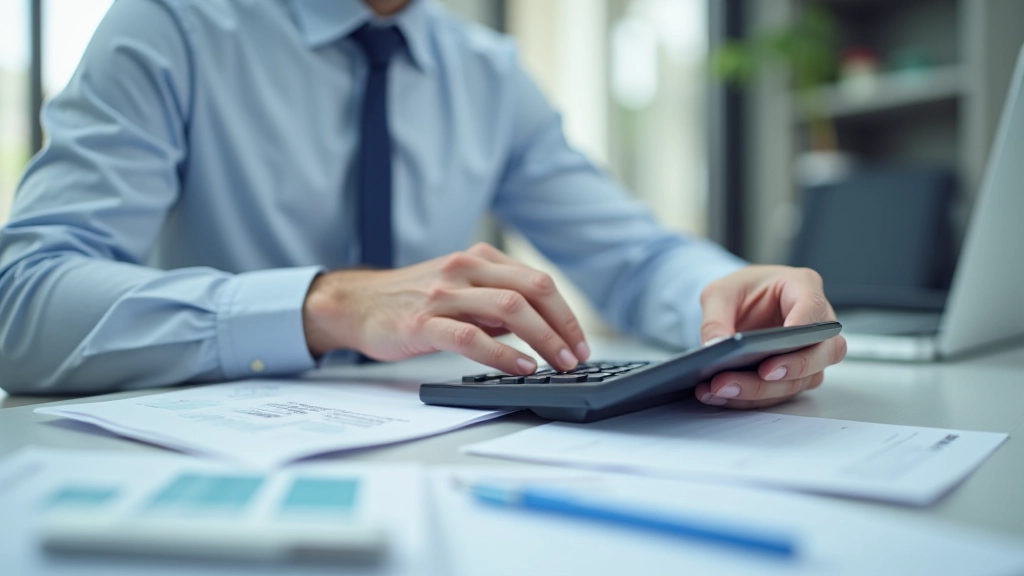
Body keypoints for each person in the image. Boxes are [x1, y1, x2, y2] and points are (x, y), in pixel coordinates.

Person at [0, 0, 846, 409]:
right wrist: (324, 305)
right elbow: (22, 304)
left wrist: (729, 299)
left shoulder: (486, 72)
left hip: (440, 462)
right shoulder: (170, 26)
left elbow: (634, 258)